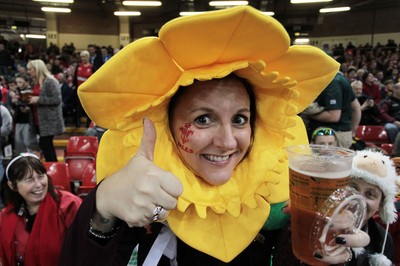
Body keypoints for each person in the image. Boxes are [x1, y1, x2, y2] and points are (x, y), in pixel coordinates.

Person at [59, 6, 367, 265]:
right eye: (203, 119)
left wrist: (326, 249)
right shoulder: (138, 196)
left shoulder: (276, 198)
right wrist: (103, 209)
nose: (228, 142)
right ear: (167, 126)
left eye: (240, 119)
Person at [0, 153, 82, 265]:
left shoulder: (69, 205)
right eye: (29, 180)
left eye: (41, 176)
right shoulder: (6, 217)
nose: (39, 185)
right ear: (12, 185)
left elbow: (85, 249)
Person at [346, 150, 397, 265]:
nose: (359, 199)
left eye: (370, 194)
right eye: (353, 188)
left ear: (381, 204)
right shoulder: (319, 225)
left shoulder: (383, 239)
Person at [306, 72, 362, 149]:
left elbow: (334, 116)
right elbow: (356, 108)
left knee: (324, 161)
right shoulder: (342, 79)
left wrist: (307, 114)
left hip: (331, 135)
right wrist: (352, 131)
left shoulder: (332, 82)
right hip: (344, 134)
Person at [27, 59, 65, 162]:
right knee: (44, 146)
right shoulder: (34, 82)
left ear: (37, 69)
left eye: (31, 69)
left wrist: (38, 99)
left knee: (46, 145)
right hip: (38, 119)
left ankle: (53, 168)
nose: (29, 72)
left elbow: (57, 100)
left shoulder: (50, 81)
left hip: (49, 121)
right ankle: (50, 167)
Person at [12, 74, 39, 154]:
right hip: (18, 119)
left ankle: (34, 158)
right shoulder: (17, 91)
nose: (18, 84)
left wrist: (25, 106)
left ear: (27, 82)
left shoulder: (31, 91)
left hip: (28, 120)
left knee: (29, 142)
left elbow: (30, 103)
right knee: (19, 143)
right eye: (17, 82)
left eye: (20, 82)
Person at [73, 50, 92, 128]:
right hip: (78, 91)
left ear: (88, 57)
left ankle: (88, 124)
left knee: (88, 108)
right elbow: (75, 78)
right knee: (78, 108)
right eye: (81, 57)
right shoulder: (78, 66)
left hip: (88, 92)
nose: (82, 58)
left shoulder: (91, 67)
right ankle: (77, 124)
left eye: (84, 57)